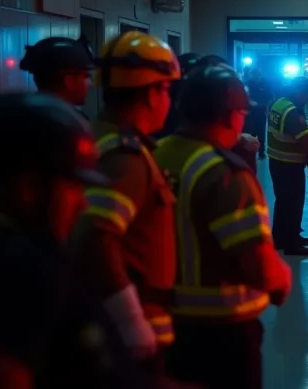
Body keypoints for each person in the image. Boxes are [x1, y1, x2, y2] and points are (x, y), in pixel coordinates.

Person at [0, 92, 150, 388]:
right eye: (74, 188)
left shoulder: (40, 259)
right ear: (30, 188)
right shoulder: (20, 272)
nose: (83, 204)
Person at [155, 64, 292, 389]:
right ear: (232, 116)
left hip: (164, 319)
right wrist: (281, 280)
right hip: (221, 329)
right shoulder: (225, 174)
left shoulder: (155, 155)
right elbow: (258, 264)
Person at [69, 31, 180, 375]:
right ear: (152, 93)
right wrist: (131, 320)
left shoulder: (98, 136)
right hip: (129, 330)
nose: (170, 101)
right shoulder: (124, 157)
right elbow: (96, 237)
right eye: (166, 90)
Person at [267, 77, 308, 256]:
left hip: (278, 161)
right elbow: (305, 139)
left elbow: (299, 140)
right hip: (289, 164)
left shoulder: (279, 103)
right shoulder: (291, 112)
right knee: (292, 203)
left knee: (283, 202)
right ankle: (292, 243)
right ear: (300, 93)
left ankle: (280, 237)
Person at [19, 35, 95, 118]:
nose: (91, 84)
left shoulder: (25, 118)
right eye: (86, 76)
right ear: (70, 81)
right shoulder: (69, 125)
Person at [245, 68, 272, 160]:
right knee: (251, 132)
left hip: (261, 112)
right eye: (254, 74)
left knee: (261, 133)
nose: (256, 75)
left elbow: (269, 97)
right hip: (250, 113)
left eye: (257, 74)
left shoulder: (264, 84)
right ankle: (250, 151)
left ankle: (261, 152)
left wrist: (267, 108)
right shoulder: (247, 84)